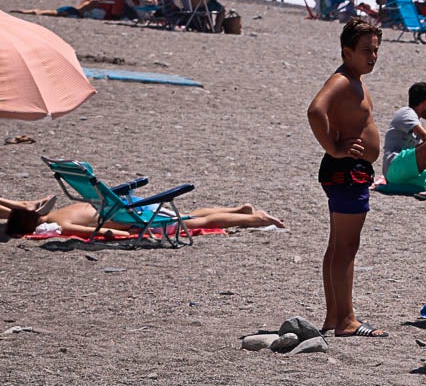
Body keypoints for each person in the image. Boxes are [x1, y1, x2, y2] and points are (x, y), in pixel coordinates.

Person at [306, 18, 387, 338]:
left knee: (338, 247)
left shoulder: (354, 79)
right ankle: (347, 320)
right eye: (366, 50)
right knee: (346, 248)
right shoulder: (341, 80)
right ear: (347, 51)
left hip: (348, 172)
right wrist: (334, 148)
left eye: (376, 50)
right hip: (346, 172)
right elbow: (315, 111)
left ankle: (333, 316)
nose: (373, 56)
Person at [4, 200, 284, 240]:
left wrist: (127, 236)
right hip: (128, 206)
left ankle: (255, 219)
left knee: (192, 221)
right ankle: (239, 209)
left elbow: (93, 234)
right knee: (191, 213)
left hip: (132, 218)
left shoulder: (61, 225)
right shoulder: (63, 208)